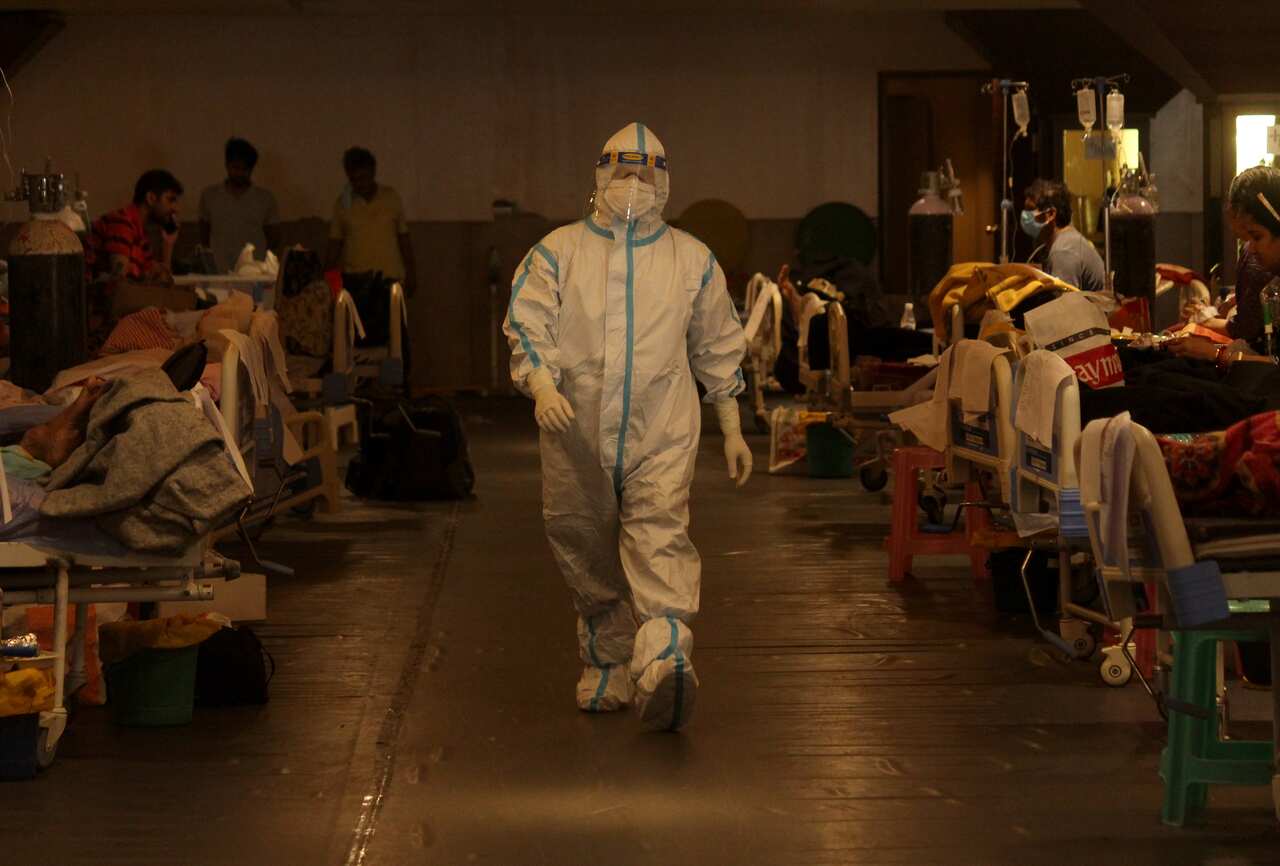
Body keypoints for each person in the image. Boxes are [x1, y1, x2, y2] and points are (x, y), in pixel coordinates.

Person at [503, 122, 751, 732]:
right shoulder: (557, 252)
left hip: (660, 429)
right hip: (572, 430)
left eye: (645, 174)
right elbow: (526, 322)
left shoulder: (691, 259)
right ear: (599, 178)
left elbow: (718, 345)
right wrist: (539, 383)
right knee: (583, 546)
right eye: (622, 173)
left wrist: (733, 422)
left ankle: (665, 656)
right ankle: (608, 665)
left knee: (661, 531)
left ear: (665, 183)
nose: (633, 186)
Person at [1180, 166, 1280, 354]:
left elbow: (1271, 365)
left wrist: (1216, 354)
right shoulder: (1272, 282)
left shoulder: (1257, 270)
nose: (1250, 249)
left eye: (1256, 236)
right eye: (1244, 239)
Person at [84, 169, 184, 349]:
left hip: (121, 314)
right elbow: (120, 282)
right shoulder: (121, 222)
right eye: (170, 199)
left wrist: (168, 244)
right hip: (102, 321)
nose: (175, 209)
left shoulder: (140, 234)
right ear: (151, 198)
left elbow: (163, 281)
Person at [325, 147, 417, 297]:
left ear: (373, 172)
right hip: (356, 282)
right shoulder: (342, 204)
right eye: (355, 180)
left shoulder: (391, 198)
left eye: (364, 177)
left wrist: (411, 272)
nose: (360, 184)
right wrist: (328, 280)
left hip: (390, 280)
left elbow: (404, 238)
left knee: (392, 321)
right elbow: (334, 245)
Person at [198, 137, 281, 273]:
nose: (240, 173)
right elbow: (204, 234)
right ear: (227, 165)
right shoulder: (209, 196)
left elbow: (274, 238)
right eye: (235, 168)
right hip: (219, 271)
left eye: (245, 169)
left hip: (254, 272)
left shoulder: (265, 198)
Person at [1023, 178, 1106, 292]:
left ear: (1051, 214)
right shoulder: (1065, 240)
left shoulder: (1063, 251)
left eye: (1031, 210)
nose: (1026, 216)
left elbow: (1064, 307)